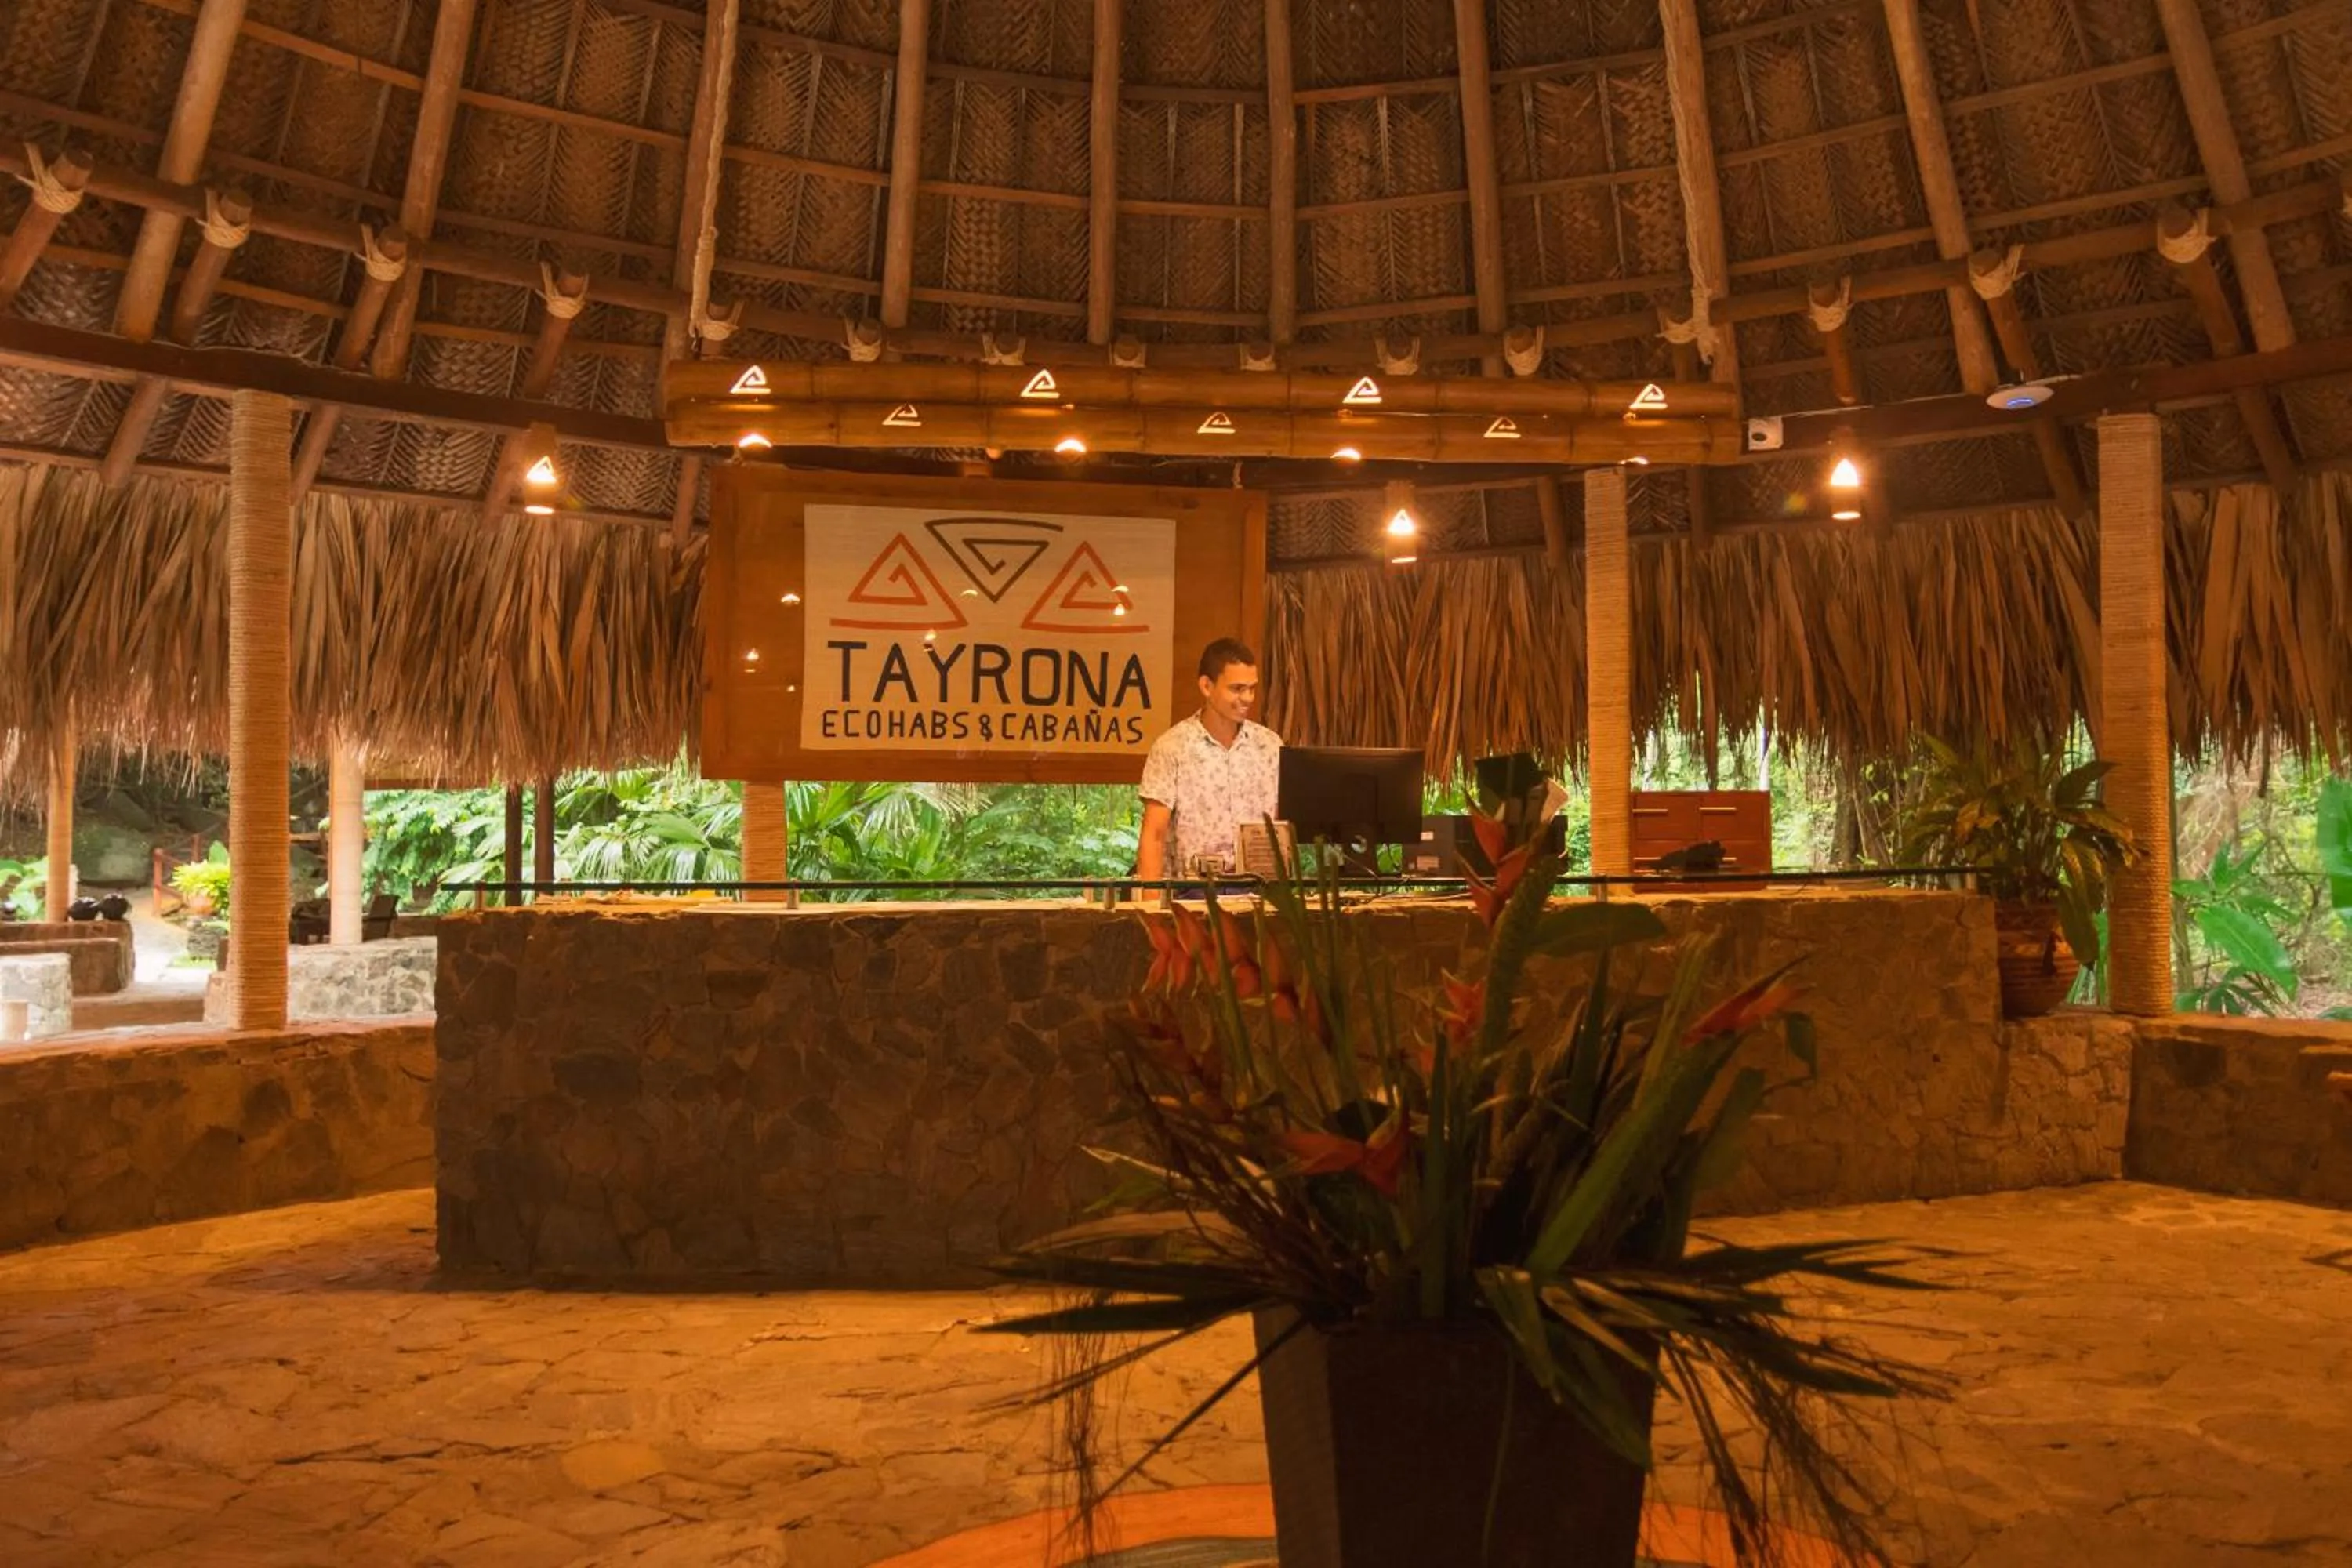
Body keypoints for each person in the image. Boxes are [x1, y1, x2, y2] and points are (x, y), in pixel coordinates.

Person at [1136, 638, 1282, 888]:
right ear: (1206, 686)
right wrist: (1151, 905)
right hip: (1191, 894)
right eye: (1237, 689)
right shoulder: (1172, 747)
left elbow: (1282, 829)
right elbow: (1154, 836)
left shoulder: (1271, 746)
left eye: (1252, 688)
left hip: (1259, 892)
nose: (1247, 698)